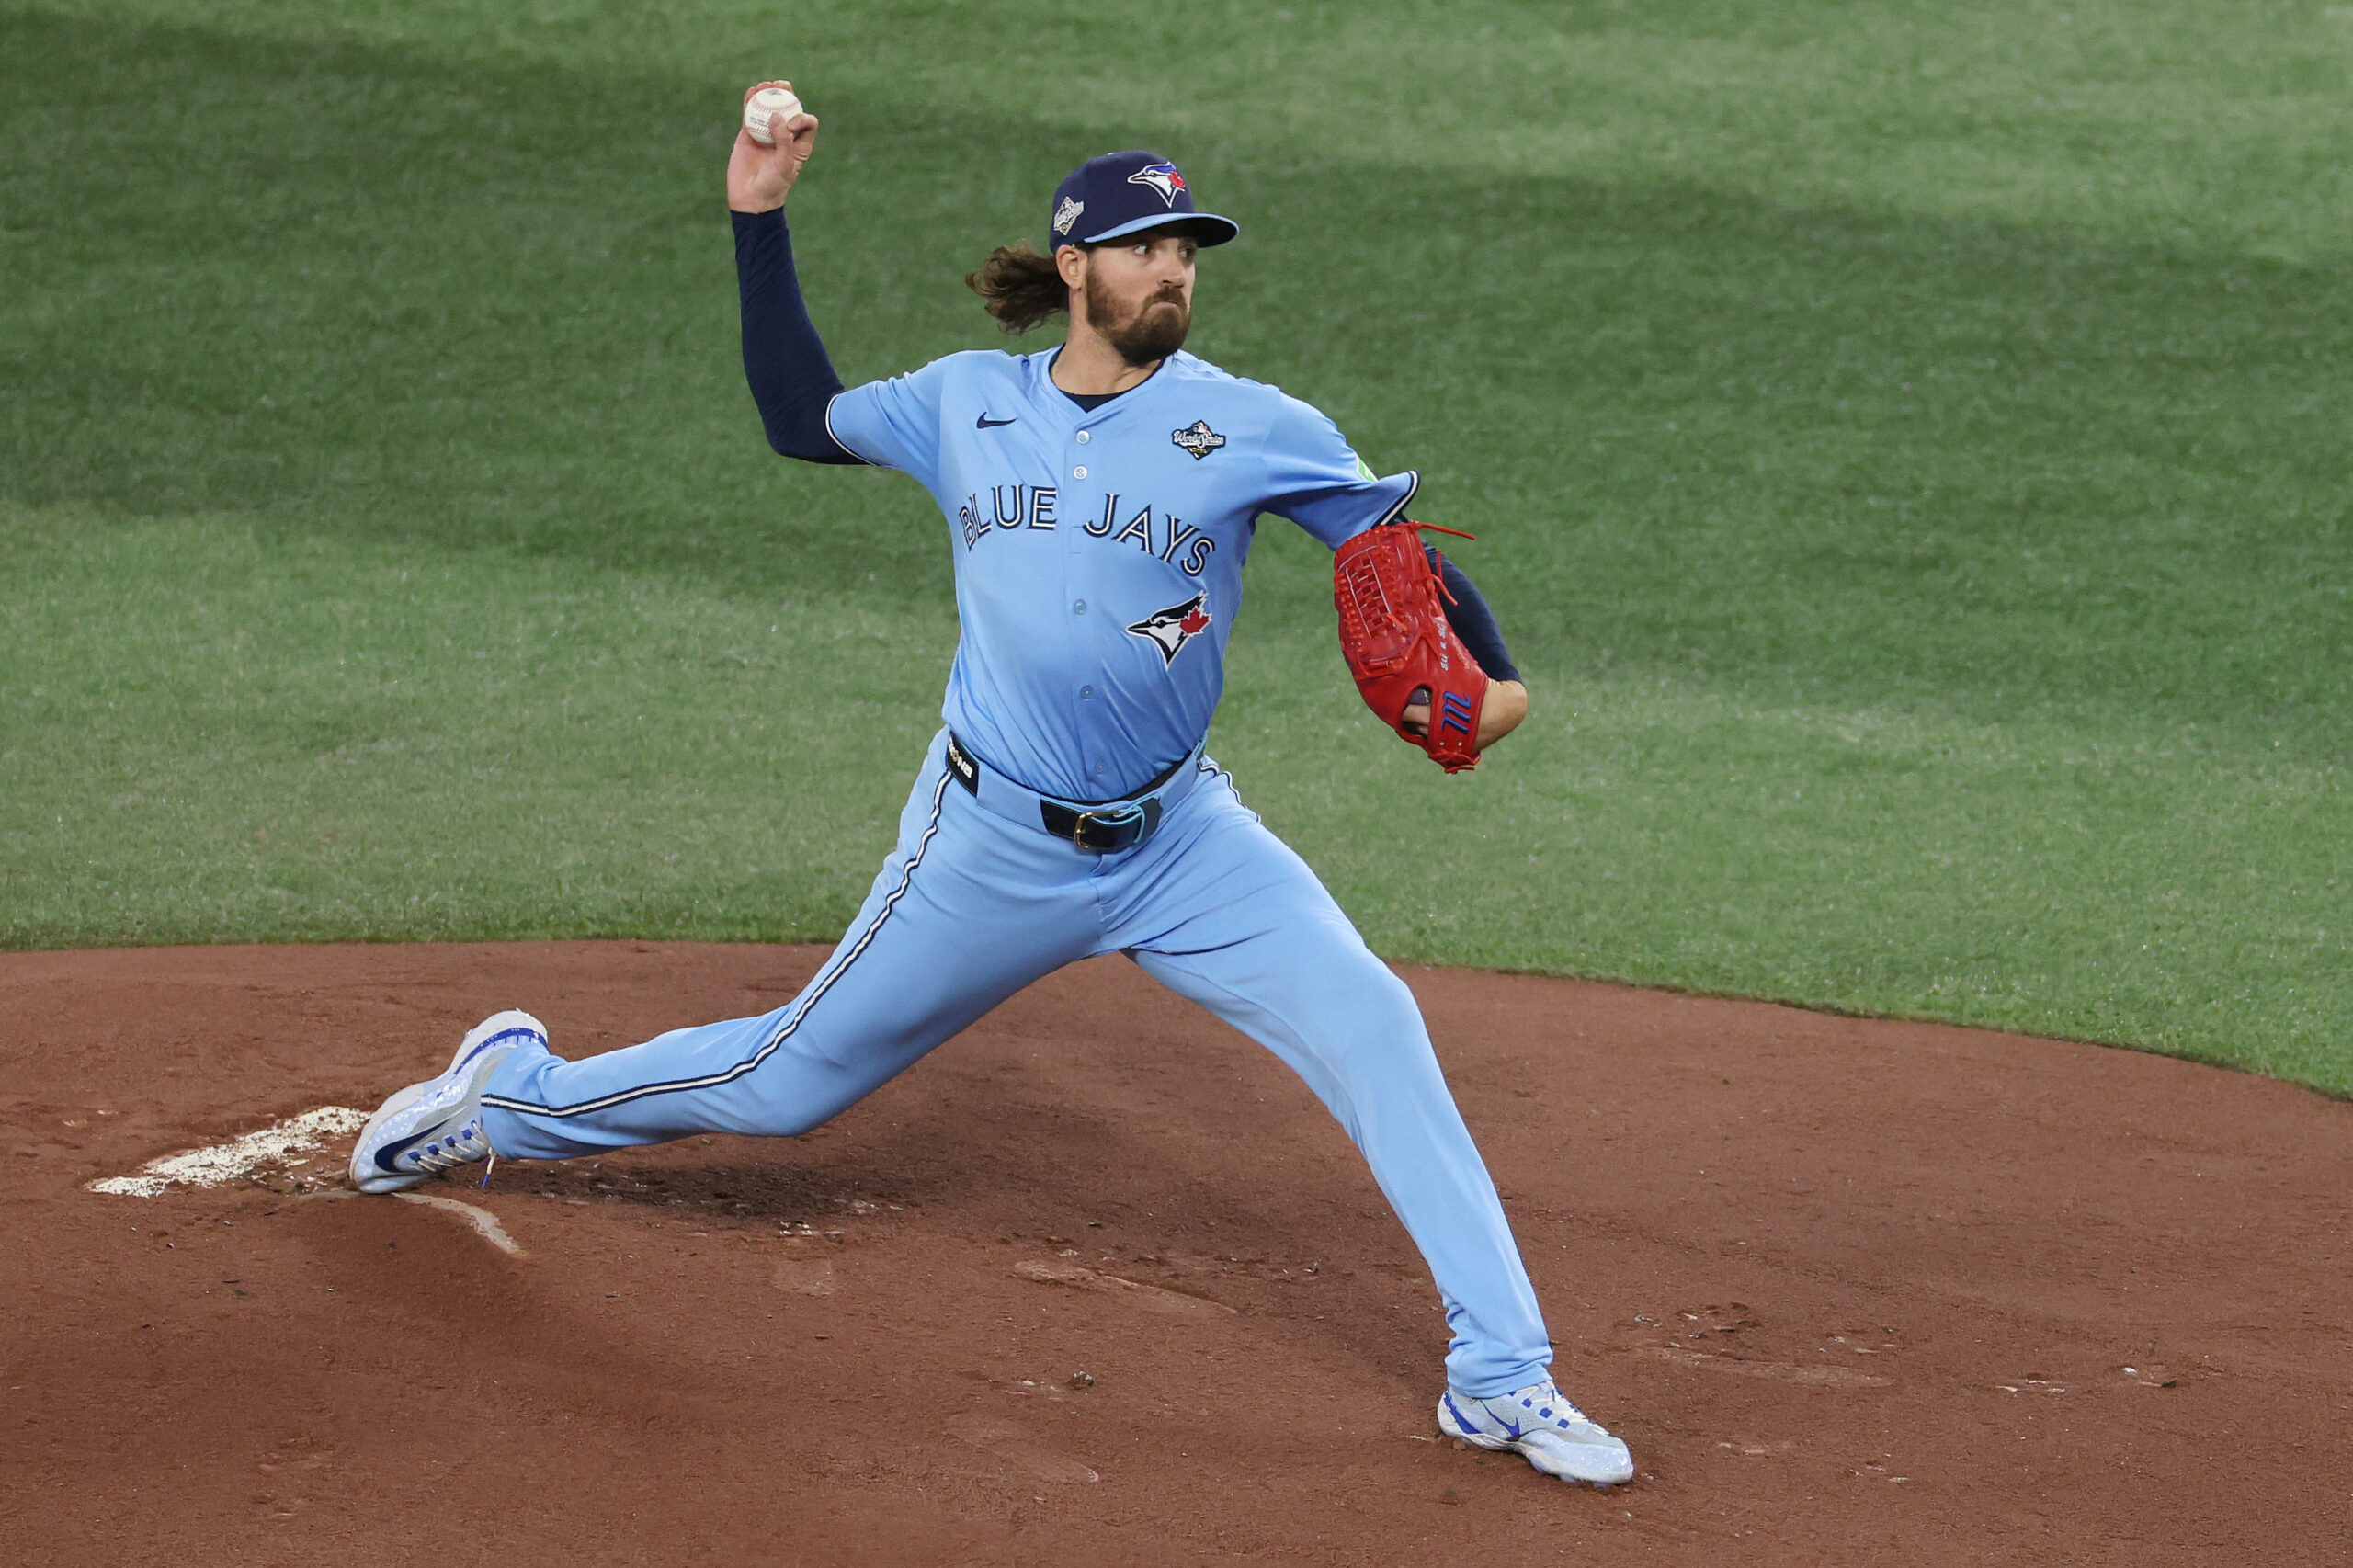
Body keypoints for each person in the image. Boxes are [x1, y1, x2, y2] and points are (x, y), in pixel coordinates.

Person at [349, 81, 1634, 1489]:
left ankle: (1501, 1376)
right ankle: (510, 1096)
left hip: (1182, 839)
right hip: (990, 842)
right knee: (785, 1084)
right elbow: (797, 418)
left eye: (1189, 251)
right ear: (1077, 266)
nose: (1175, 271)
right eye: (1148, 247)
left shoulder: (1253, 423)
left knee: (1376, 1024)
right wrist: (758, 215)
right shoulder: (966, 401)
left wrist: (1491, 678)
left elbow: (1395, 556)